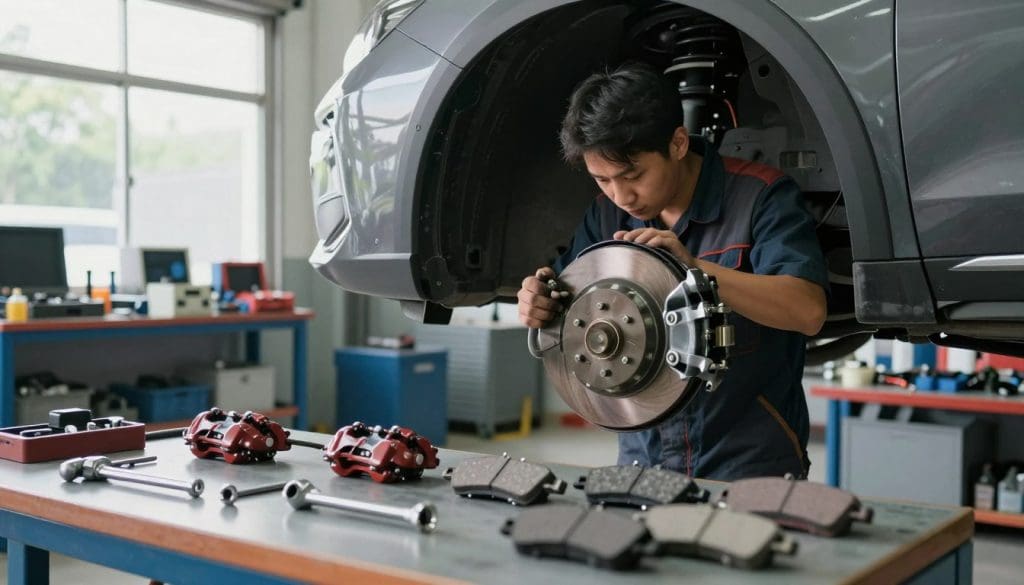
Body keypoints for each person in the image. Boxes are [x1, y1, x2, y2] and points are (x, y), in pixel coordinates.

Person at [517, 62, 828, 481]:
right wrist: (536, 302)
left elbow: (808, 311)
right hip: (641, 456)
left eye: (633, 175)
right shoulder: (607, 213)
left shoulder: (761, 197)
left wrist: (696, 270)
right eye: (602, 180)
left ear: (678, 143)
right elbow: (565, 299)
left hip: (749, 462)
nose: (621, 195)